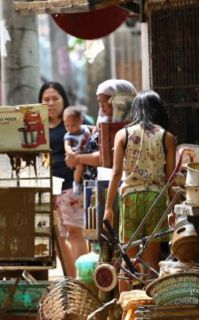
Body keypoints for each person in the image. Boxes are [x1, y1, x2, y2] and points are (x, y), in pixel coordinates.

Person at [103, 90, 176, 287]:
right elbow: (170, 179)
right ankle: (150, 302)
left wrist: (108, 208)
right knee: (152, 261)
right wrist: (173, 209)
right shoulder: (167, 137)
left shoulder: (123, 134)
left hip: (130, 198)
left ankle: (125, 302)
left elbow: (116, 173)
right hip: (156, 199)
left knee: (128, 259)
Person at [40, 81, 86, 276]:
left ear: (63, 100)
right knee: (57, 237)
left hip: (70, 187)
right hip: (46, 189)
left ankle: (80, 280)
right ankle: (71, 278)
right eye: (46, 99)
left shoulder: (73, 124)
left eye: (55, 98)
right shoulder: (37, 127)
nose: (50, 103)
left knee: (74, 232)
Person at [65, 79, 137, 174]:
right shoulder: (105, 121)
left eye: (105, 101)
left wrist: (77, 159)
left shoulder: (125, 128)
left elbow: (107, 157)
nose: (102, 106)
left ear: (122, 100)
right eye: (99, 102)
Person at [63, 106, 92, 195]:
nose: (70, 128)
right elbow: (67, 146)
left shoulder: (85, 128)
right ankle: (76, 182)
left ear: (80, 121)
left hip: (90, 154)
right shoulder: (69, 135)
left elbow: (94, 129)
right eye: (67, 126)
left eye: (73, 125)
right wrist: (70, 153)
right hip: (78, 155)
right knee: (80, 167)